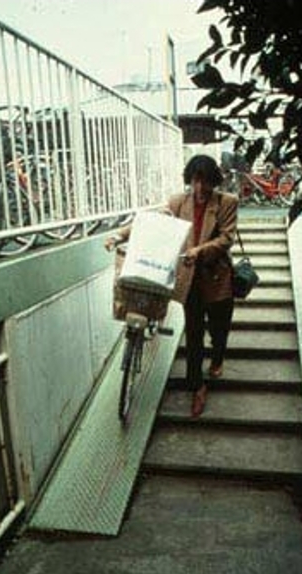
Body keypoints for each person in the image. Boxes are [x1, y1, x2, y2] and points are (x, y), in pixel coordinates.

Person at [105, 154, 238, 418]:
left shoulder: (227, 202)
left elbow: (226, 238)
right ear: (189, 180)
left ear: (214, 181)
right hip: (190, 281)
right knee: (194, 334)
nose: (200, 188)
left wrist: (199, 251)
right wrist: (118, 235)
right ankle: (197, 386)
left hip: (217, 279)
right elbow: (150, 222)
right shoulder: (179, 202)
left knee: (219, 329)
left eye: (205, 182)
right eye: (195, 181)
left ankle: (218, 358)